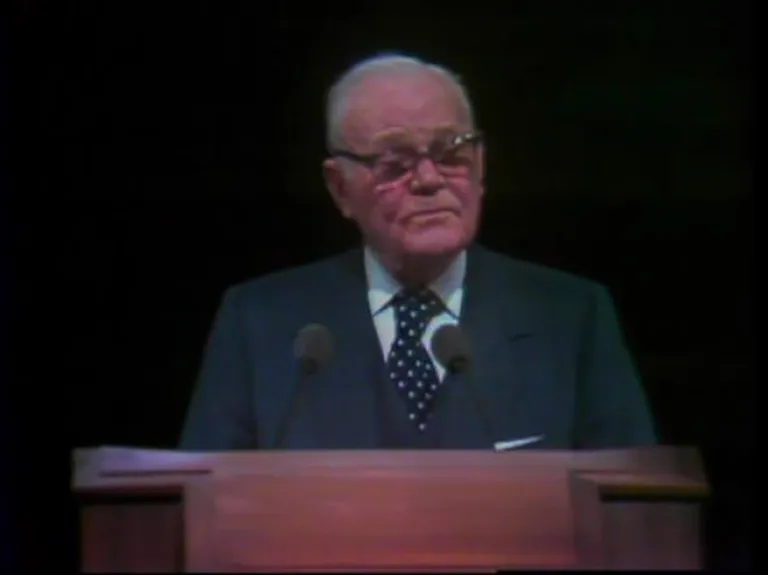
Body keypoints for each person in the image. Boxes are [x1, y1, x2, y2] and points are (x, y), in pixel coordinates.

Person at [179, 53, 657, 450]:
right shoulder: (258, 321)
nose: (429, 180)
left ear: (481, 164)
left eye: (451, 154)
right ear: (340, 187)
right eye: (395, 163)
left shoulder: (572, 317)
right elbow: (205, 508)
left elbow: (630, 512)